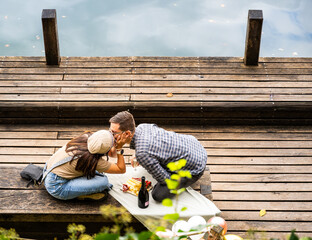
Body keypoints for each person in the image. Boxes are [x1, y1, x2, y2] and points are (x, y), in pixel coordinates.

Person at [109, 111, 207, 202]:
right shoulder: (143, 127)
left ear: (127, 133)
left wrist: (121, 149)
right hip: (195, 145)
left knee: (157, 195)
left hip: (195, 168)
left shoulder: (142, 153)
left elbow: (165, 180)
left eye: (114, 133)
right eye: (110, 130)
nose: (111, 135)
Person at [44, 130, 128, 201]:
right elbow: (121, 169)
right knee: (103, 181)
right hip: (57, 187)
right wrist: (119, 149)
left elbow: (109, 153)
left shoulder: (85, 138)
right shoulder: (94, 160)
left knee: (97, 172)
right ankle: (80, 195)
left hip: (48, 169)